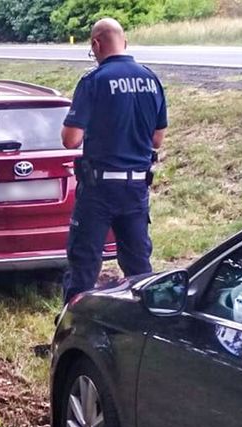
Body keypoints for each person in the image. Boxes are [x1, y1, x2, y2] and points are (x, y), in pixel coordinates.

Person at [61, 17, 168, 304]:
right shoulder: (151, 79)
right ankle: (145, 329)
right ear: (125, 42)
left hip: (99, 190)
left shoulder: (93, 81)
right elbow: (157, 140)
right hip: (136, 189)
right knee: (138, 267)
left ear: (96, 44)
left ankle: (69, 334)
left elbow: (70, 139)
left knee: (84, 264)